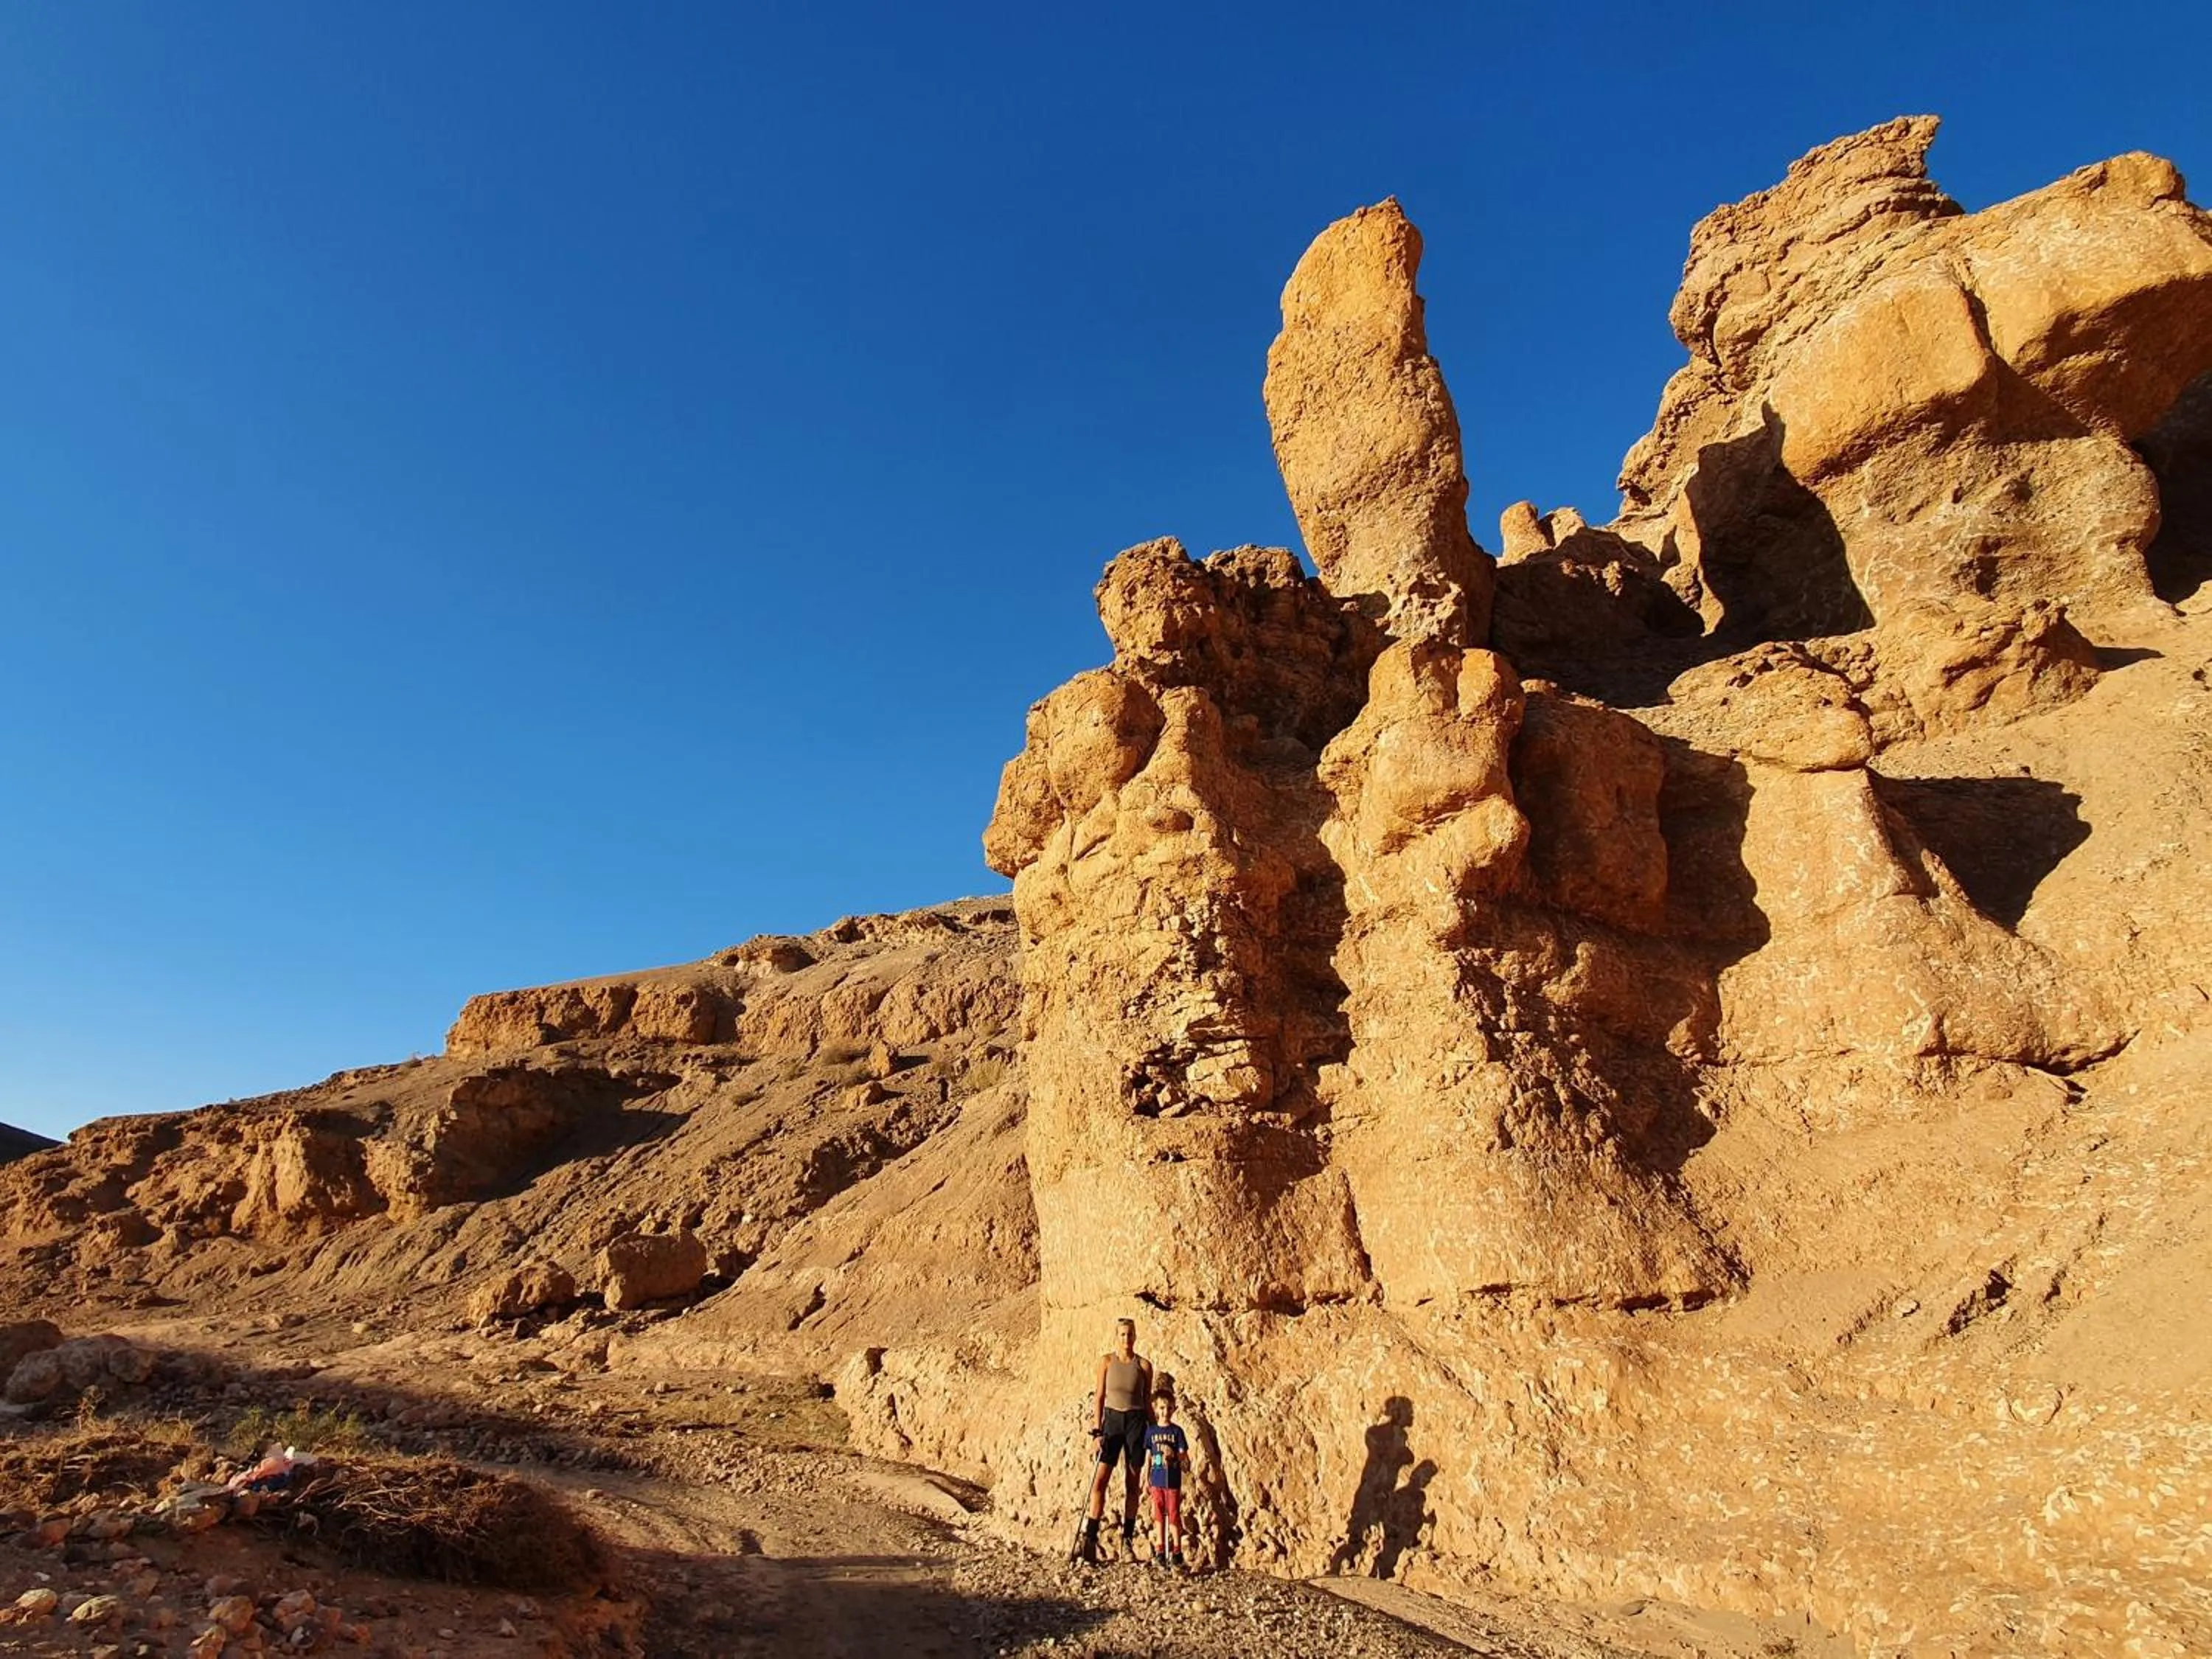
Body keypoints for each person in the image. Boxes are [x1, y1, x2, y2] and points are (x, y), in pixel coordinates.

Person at [1077, 1316, 1153, 1563]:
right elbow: (1099, 1397)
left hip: (1136, 1423)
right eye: (1122, 1334)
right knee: (1100, 1481)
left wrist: (1155, 1434)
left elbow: (1147, 1401)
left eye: (1130, 1334)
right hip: (1112, 1422)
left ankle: (1127, 1543)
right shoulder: (1107, 1362)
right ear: (1116, 1336)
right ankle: (1090, 1538)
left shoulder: (1144, 1366)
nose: (1126, 1339)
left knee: (1132, 1484)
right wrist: (1096, 1432)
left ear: (1135, 1336)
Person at [1143, 1388, 1190, 1571]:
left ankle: (1177, 1552)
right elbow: (1148, 1455)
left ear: (1174, 1409)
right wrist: (1145, 1477)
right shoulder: (1151, 1432)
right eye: (1162, 1408)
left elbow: (1184, 1455)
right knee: (1158, 1515)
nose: (1165, 1412)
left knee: (1174, 1515)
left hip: (1173, 1480)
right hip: (1156, 1479)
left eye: (1169, 1408)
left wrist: (1175, 1456)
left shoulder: (1177, 1431)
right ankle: (1160, 1550)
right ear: (1155, 1408)